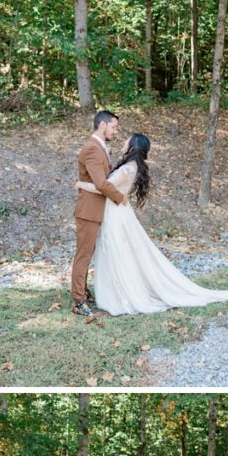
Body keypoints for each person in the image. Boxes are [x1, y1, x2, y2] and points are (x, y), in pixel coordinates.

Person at [76, 133, 228, 315]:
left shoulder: (128, 169)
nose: (124, 141)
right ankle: (114, 290)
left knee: (119, 252)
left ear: (133, 146)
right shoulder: (131, 166)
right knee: (117, 251)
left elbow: (104, 187)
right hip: (115, 210)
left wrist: (81, 184)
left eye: (128, 140)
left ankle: (122, 293)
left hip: (115, 213)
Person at [71, 110, 127, 317]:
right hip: (88, 210)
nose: (115, 131)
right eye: (113, 126)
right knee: (83, 255)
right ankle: (78, 301)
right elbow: (101, 183)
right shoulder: (92, 149)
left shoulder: (99, 148)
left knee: (88, 253)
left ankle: (83, 292)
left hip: (96, 209)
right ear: (102, 125)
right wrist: (120, 198)